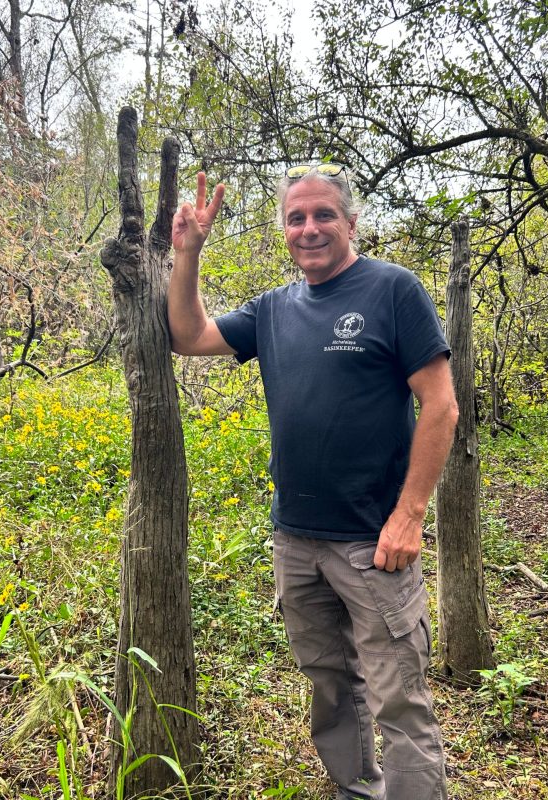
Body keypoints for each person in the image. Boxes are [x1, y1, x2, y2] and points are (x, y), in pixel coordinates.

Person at [168, 165, 458, 800]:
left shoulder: (393, 291)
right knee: (329, 687)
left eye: (324, 214)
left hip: (373, 542)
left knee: (399, 702)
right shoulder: (274, 309)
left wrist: (409, 515)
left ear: (352, 223)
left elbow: (441, 406)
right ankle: (355, 791)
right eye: (296, 218)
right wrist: (187, 256)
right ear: (284, 231)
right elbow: (188, 336)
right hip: (296, 541)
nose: (310, 228)